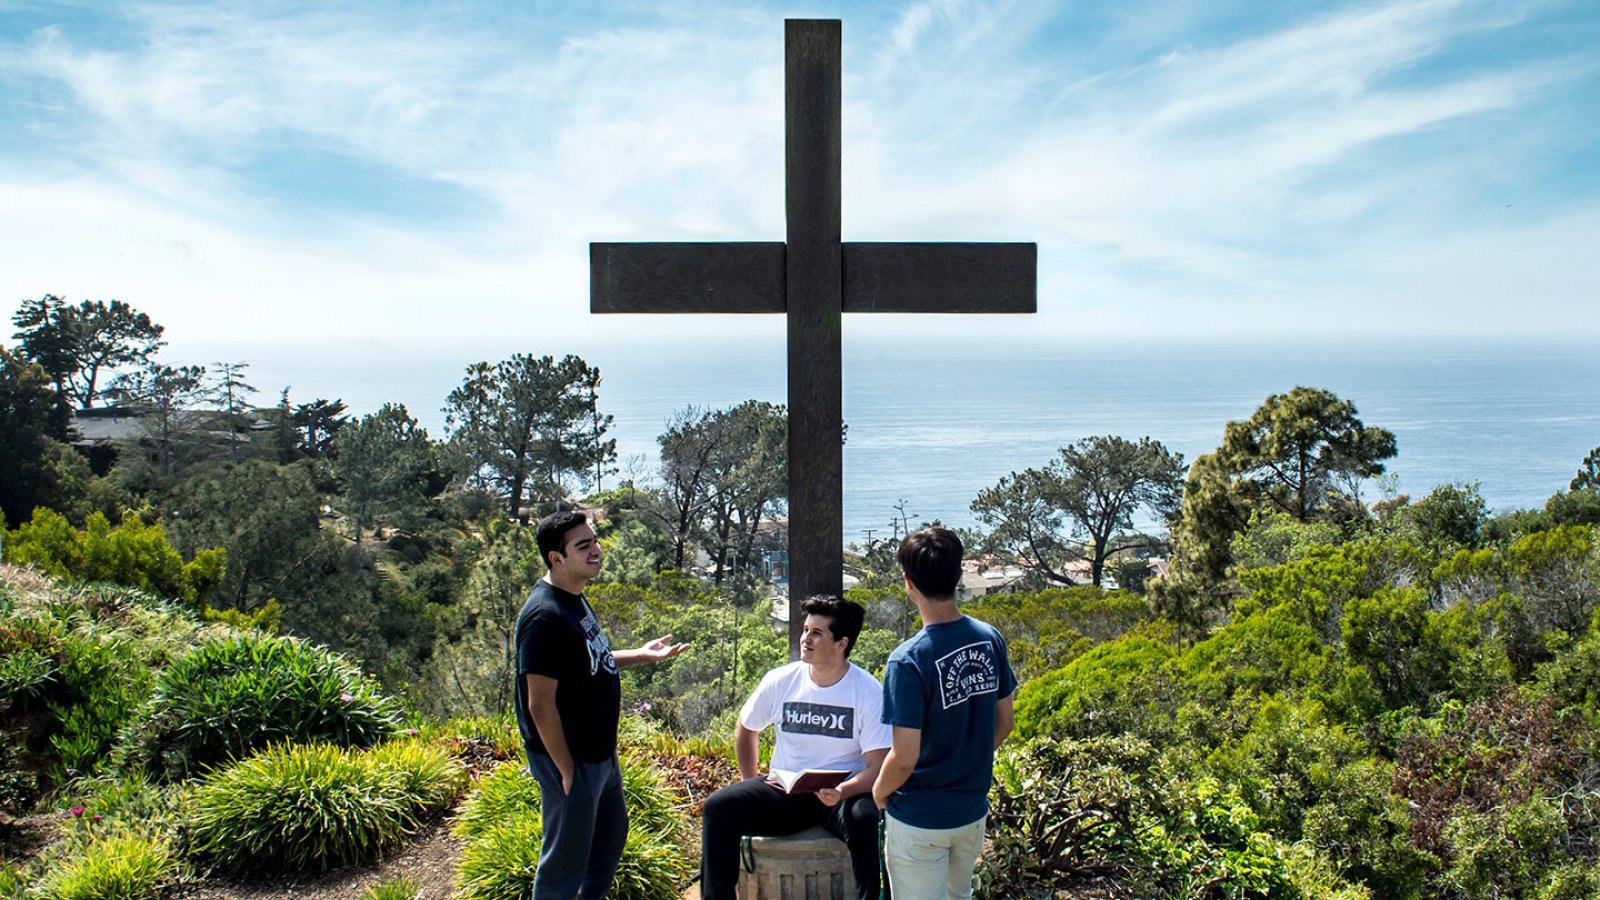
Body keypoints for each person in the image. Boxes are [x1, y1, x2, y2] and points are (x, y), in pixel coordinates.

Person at [515, 510, 689, 900]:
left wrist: (642, 655)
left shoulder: (573, 599)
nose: (596, 550)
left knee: (609, 841)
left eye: (594, 541)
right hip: (571, 760)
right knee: (563, 866)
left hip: (599, 755)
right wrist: (565, 769)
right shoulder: (545, 616)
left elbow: (592, 658)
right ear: (555, 558)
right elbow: (539, 705)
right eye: (583, 546)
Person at [700, 595, 892, 900]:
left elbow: (878, 767)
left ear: (842, 643)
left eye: (817, 633)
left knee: (865, 818)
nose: (806, 639)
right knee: (719, 807)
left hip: (841, 794)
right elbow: (747, 728)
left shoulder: (868, 691)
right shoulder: (781, 680)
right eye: (805, 630)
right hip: (785, 789)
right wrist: (750, 781)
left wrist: (842, 791)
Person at [872, 527, 1016, 900]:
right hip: (970, 811)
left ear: (908, 582)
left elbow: (904, 758)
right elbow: (1005, 723)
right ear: (957, 575)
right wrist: (965, 760)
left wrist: (879, 791)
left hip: (921, 817)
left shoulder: (907, 660)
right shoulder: (989, 638)